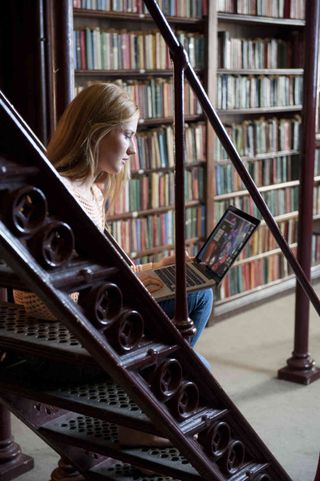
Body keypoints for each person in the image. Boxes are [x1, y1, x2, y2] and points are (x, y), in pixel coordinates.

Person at [14, 82, 213, 349]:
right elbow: (36, 302)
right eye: (127, 135)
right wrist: (122, 290)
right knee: (198, 299)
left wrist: (156, 269)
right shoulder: (57, 197)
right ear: (94, 133)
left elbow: (97, 273)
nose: (133, 150)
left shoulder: (92, 194)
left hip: (93, 316)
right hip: (67, 339)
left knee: (197, 291)